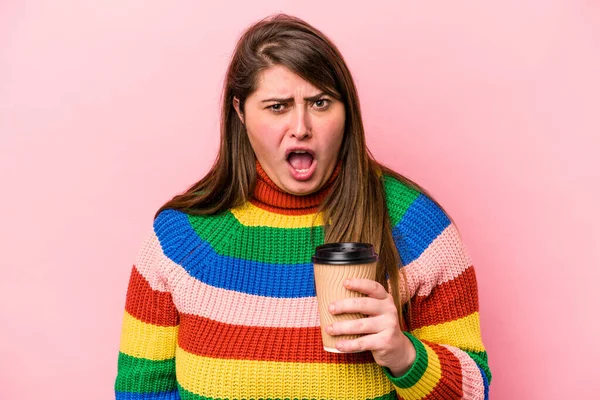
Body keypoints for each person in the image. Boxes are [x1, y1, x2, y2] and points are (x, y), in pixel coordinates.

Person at [114, 13, 492, 400]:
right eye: (277, 106)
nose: (301, 127)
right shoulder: (181, 237)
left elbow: (474, 391)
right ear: (241, 113)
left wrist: (404, 355)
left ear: (347, 112)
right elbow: (140, 392)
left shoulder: (416, 227)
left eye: (320, 102)